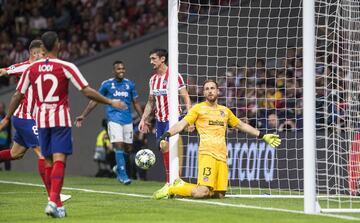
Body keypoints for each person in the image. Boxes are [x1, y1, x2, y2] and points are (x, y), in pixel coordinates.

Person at [0, 31, 127, 218]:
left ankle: (54, 198)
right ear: (57, 45)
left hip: (36, 118)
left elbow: (16, 92)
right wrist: (110, 102)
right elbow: (87, 90)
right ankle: (54, 199)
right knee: (50, 157)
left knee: (15, 154)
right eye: (34, 54)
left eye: (39, 53)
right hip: (46, 119)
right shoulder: (63, 66)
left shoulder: (30, 69)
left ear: (43, 50)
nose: (37, 56)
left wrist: (6, 118)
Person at [153, 79, 281, 199]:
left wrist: (262, 135)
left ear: (217, 91)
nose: (210, 91)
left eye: (212, 88)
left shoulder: (225, 111)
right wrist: (166, 134)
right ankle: (174, 188)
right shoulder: (198, 109)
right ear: (203, 92)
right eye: (207, 89)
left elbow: (241, 125)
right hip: (207, 154)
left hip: (222, 155)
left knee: (219, 195)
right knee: (202, 193)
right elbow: (182, 124)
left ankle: (181, 186)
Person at [0, 39, 71, 202]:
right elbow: (4, 71)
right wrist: (6, 118)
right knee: (44, 153)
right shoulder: (28, 66)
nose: (44, 55)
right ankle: (53, 196)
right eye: (41, 52)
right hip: (24, 118)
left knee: (14, 153)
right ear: (33, 54)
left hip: (27, 119)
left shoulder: (42, 69)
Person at [75, 60, 143, 185]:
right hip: (113, 119)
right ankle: (122, 175)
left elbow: (136, 102)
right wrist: (83, 115)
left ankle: (118, 167)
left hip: (127, 120)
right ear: (114, 71)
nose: (121, 71)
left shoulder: (129, 84)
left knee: (128, 148)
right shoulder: (107, 84)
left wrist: (143, 118)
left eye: (123, 68)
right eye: (118, 69)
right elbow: (94, 100)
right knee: (119, 145)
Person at [138, 48, 193, 185]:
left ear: (162, 59)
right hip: (160, 120)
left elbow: (185, 97)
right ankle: (173, 180)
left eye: (153, 58)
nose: (151, 62)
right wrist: (143, 119)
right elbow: (151, 102)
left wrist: (190, 119)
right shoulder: (153, 80)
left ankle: (170, 182)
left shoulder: (175, 76)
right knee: (163, 149)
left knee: (165, 145)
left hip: (174, 119)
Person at [0, 102, 11, 171]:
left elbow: (9, 128)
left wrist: (9, 140)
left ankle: (8, 171)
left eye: (1, 108)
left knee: (7, 157)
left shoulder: (6, 117)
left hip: (5, 142)